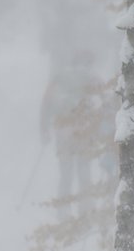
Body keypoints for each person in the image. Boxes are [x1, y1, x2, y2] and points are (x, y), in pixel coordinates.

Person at [40, 51, 96, 216]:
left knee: (66, 172)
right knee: (84, 169)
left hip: (63, 131)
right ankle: (85, 210)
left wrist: (44, 129)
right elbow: (103, 99)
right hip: (84, 129)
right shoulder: (90, 77)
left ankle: (63, 210)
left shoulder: (59, 77)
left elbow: (46, 102)